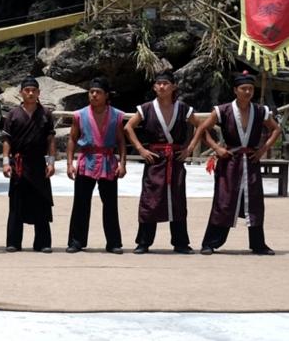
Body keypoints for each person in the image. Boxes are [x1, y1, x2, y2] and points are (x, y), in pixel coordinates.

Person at [194, 71, 281, 256]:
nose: (248, 91)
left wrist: (262, 149)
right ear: (235, 90)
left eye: (250, 88)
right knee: (223, 201)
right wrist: (216, 148)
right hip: (230, 162)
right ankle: (210, 243)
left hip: (250, 161)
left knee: (255, 203)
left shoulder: (260, 110)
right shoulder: (223, 110)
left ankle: (258, 244)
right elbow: (202, 128)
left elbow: (276, 129)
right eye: (244, 88)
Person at [124, 70, 202, 254]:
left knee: (177, 200)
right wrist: (141, 149)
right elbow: (128, 127)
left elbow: (201, 125)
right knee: (150, 200)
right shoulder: (147, 108)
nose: (162, 86)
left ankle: (180, 242)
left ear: (173, 86)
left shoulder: (182, 108)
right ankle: (144, 242)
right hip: (155, 159)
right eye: (159, 84)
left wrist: (189, 148)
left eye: (166, 83)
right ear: (154, 87)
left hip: (175, 159)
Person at [66, 77, 127, 254]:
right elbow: (72, 138)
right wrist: (70, 163)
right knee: (81, 203)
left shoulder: (116, 115)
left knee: (110, 204)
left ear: (106, 95)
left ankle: (114, 242)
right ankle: (76, 241)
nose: (94, 95)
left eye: (98, 92)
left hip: (108, 161)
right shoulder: (80, 115)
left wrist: (122, 163)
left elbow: (121, 141)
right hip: (87, 160)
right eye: (91, 92)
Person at [2, 76, 55, 253]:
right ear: (21, 93)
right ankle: (14, 242)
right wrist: (5, 162)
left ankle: (42, 243)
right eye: (27, 90)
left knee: (41, 202)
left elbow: (50, 139)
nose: (30, 93)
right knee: (16, 204)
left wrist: (51, 161)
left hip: (39, 163)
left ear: (39, 93)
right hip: (19, 163)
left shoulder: (46, 114)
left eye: (34, 90)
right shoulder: (13, 114)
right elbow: (7, 140)